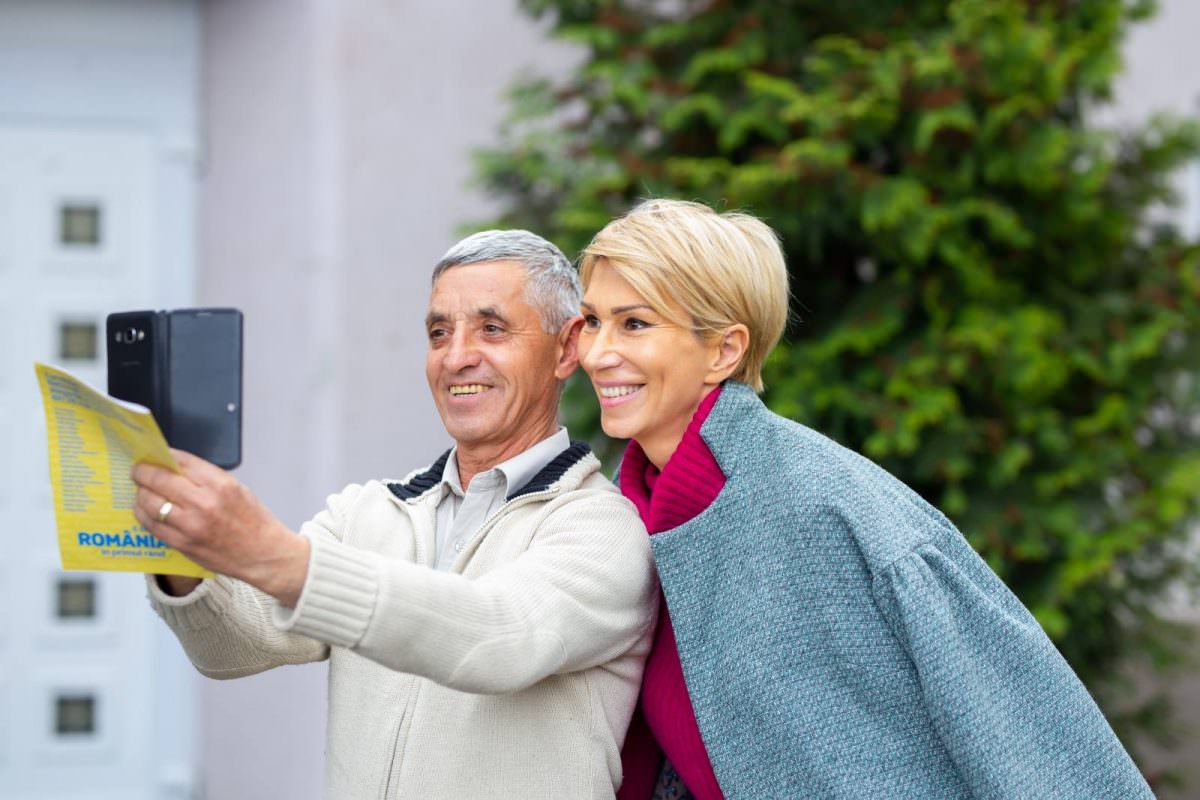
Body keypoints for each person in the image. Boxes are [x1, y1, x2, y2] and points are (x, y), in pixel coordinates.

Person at [575, 199, 1153, 799]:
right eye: (592, 321)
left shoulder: (831, 508)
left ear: (724, 351)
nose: (596, 353)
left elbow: (1029, 730)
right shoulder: (625, 512)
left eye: (634, 323)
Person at [131, 230, 657, 799]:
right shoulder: (368, 510)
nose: (457, 357)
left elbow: (497, 635)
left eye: (492, 329)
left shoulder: (605, 529)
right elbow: (231, 646)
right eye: (438, 333)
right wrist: (179, 542)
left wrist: (270, 555)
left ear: (565, 348)